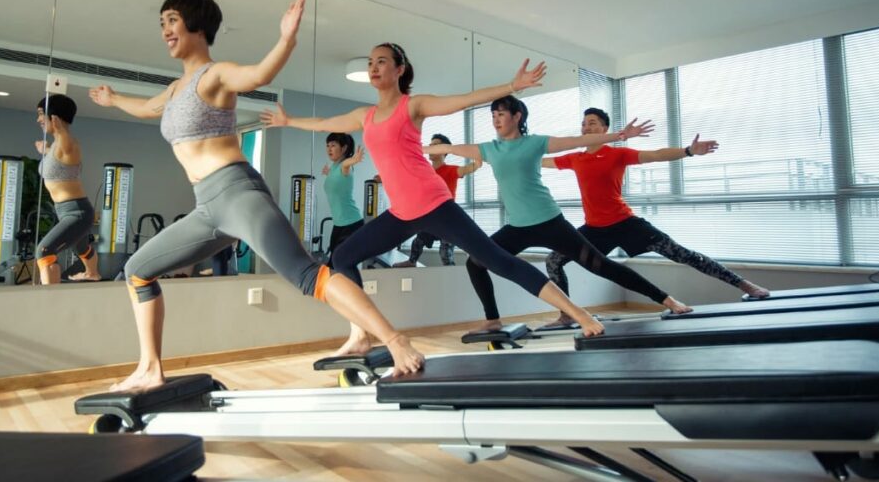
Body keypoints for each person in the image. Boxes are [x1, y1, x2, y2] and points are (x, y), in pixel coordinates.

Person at [89, 0, 423, 391]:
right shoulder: (174, 91)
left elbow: (259, 75)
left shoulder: (215, 75)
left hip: (237, 193)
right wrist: (113, 99)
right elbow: (146, 109)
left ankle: (394, 339)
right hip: (206, 207)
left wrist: (286, 39)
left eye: (172, 20)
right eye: (162, 23)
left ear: (197, 25)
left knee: (306, 274)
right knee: (138, 272)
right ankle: (149, 368)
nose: (165, 31)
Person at [261, 42, 605, 358]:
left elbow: (465, 99)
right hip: (400, 212)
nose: (373, 67)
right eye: (370, 63)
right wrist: (288, 120)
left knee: (499, 261)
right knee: (342, 256)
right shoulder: (364, 116)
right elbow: (323, 123)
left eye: (382, 61)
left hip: (435, 204)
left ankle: (578, 313)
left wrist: (512, 86)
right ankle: (360, 333)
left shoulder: (414, 105)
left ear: (400, 69)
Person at [426, 96, 691, 333]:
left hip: (550, 222)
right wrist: (412, 150)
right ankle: (493, 320)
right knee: (475, 262)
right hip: (517, 227)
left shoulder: (535, 143)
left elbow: (577, 141)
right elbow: (445, 149)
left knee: (599, 265)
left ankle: (667, 300)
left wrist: (619, 136)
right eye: (493, 115)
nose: (496, 120)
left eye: (501, 114)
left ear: (517, 117)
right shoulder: (488, 149)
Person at [542, 107, 770, 299]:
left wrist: (689, 151)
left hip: (626, 224)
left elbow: (657, 155)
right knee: (553, 260)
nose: (586, 128)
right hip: (594, 230)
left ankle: (743, 284)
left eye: (592, 123)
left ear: (604, 129)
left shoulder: (616, 155)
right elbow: (541, 162)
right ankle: (567, 315)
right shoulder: (575, 158)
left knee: (683, 254)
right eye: (583, 124)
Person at [34, 94, 101, 284]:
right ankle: (92, 274)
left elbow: (66, 148)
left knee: (44, 251)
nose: (38, 119)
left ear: (53, 117)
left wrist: (58, 128)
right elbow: (59, 160)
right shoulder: (57, 144)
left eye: (41, 114)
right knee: (80, 248)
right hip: (67, 211)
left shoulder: (67, 142)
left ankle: (50, 297)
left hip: (76, 212)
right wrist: (46, 151)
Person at [393, 133, 481, 267]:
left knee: (445, 255)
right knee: (418, 242)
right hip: (430, 218)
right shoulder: (424, 171)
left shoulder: (450, 170)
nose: (431, 148)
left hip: (448, 219)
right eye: (430, 145)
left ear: (444, 151)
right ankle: (412, 262)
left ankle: (451, 273)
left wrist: (478, 161)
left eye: (435, 145)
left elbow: (467, 169)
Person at [320, 132, 365, 263]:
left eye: (333, 145)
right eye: (327, 145)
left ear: (344, 148)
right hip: (339, 224)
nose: (329, 149)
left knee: (338, 263)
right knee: (333, 262)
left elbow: (347, 164)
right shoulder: (334, 167)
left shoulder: (345, 165)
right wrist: (328, 174)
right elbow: (337, 184)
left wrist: (354, 159)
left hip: (352, 224)